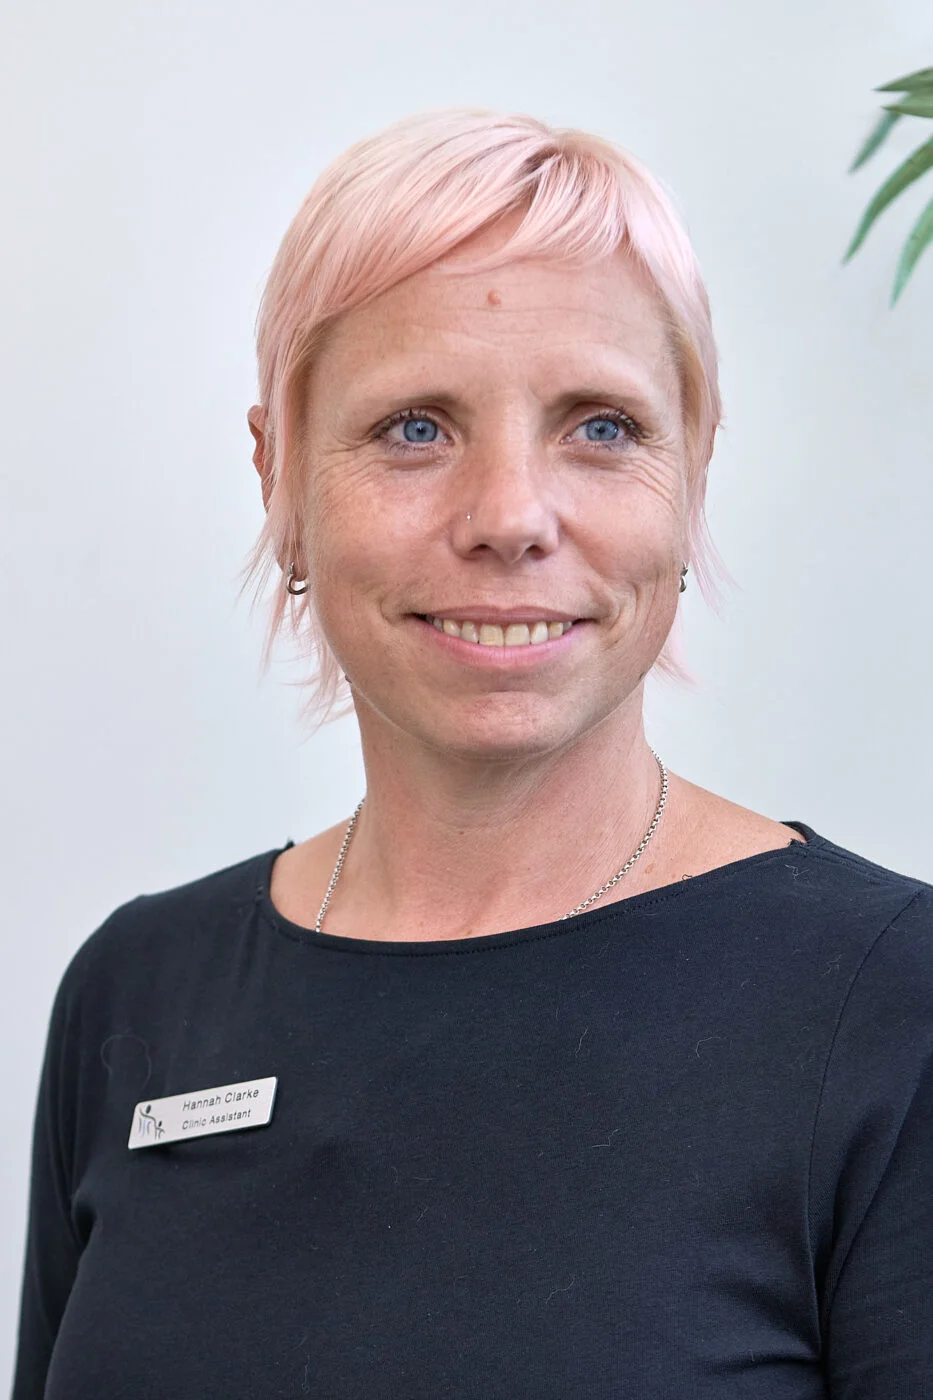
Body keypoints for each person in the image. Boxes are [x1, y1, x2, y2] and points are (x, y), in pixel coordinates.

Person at [12, 107, 933, 1399]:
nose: (510, 516)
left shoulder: (895, 1012)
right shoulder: (135, 997)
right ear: (280, 475)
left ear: (696, 470)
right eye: (414, 428)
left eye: (601, 426)